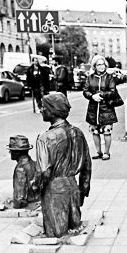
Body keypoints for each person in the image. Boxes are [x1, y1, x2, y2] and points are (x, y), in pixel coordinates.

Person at [35, 93, 92, 238]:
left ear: (52, 110)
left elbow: (44, 172)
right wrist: (83, 189)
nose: (41, 109)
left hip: (54, 191)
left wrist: (36, 188)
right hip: (73, 188)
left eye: (44, 107)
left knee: (56, 233)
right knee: (73, 227)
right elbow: (87, 165)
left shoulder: (45, 138)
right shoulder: (77, 133)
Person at [83, 55, 118, 161]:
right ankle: (98, 152)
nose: (101, 66)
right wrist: (92, 96)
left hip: (106, 109)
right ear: (94, 66)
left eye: (103, 64)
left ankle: (106, 152)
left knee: (107, 131)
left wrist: (101, 95)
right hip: (93, 109)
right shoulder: (90, 78)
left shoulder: (109, 77)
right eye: (99, 64)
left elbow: (113, 91)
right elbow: (85, 91)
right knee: (95, 131)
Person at [6, 135, 40, 210]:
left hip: (30, 205)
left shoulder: (20, 169)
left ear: (17, 152)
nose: (9, 152)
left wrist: (12, 204)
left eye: (11, 150)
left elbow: (19, 200)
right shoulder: (36, 164)